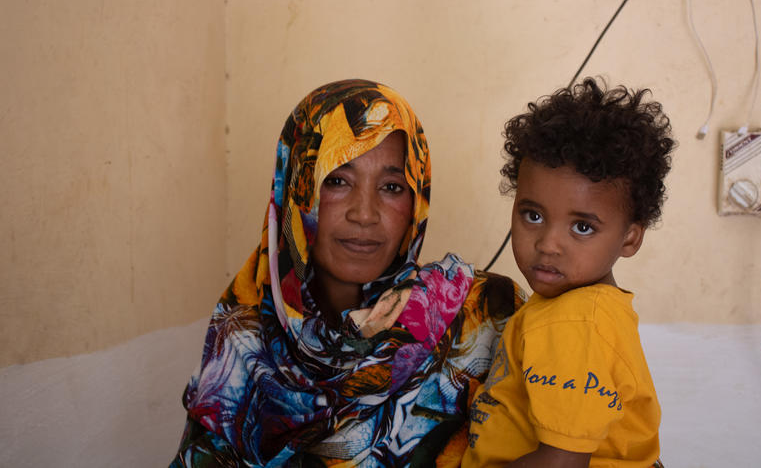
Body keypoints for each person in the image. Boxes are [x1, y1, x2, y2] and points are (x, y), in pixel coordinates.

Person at [170, 79, 525, 467]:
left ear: (417, 201)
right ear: (295, 190)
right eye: (337, 180)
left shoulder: (483, 317)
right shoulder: (244, 336)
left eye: (392, 187)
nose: (364, 214)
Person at [463, 78, 675, 468]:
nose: (548, 244)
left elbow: (561, 463)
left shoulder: (575, 322)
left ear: (630, 238)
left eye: (582, 227)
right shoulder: (579, 309)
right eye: (533, 215)